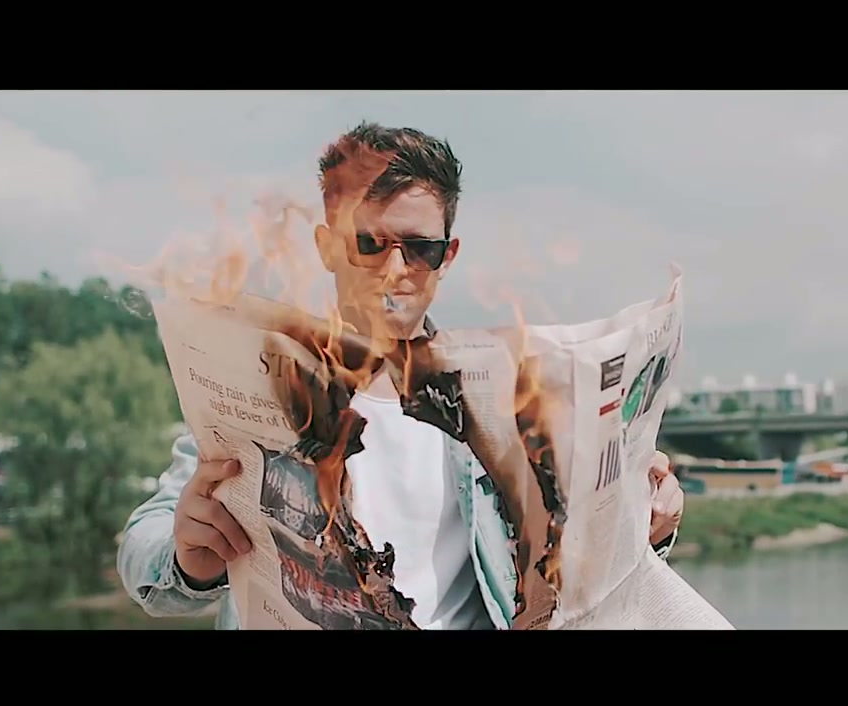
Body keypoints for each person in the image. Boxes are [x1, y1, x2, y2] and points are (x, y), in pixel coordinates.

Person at [117, 121, 686, 630]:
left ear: (447, 256)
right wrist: (188, 562)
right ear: (327, 247)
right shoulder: (261, 386)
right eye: (369, 243)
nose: (395, 271)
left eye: (419, 249)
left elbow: (567, 570)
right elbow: (143, 549)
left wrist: (645, 526)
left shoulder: (505, 400)